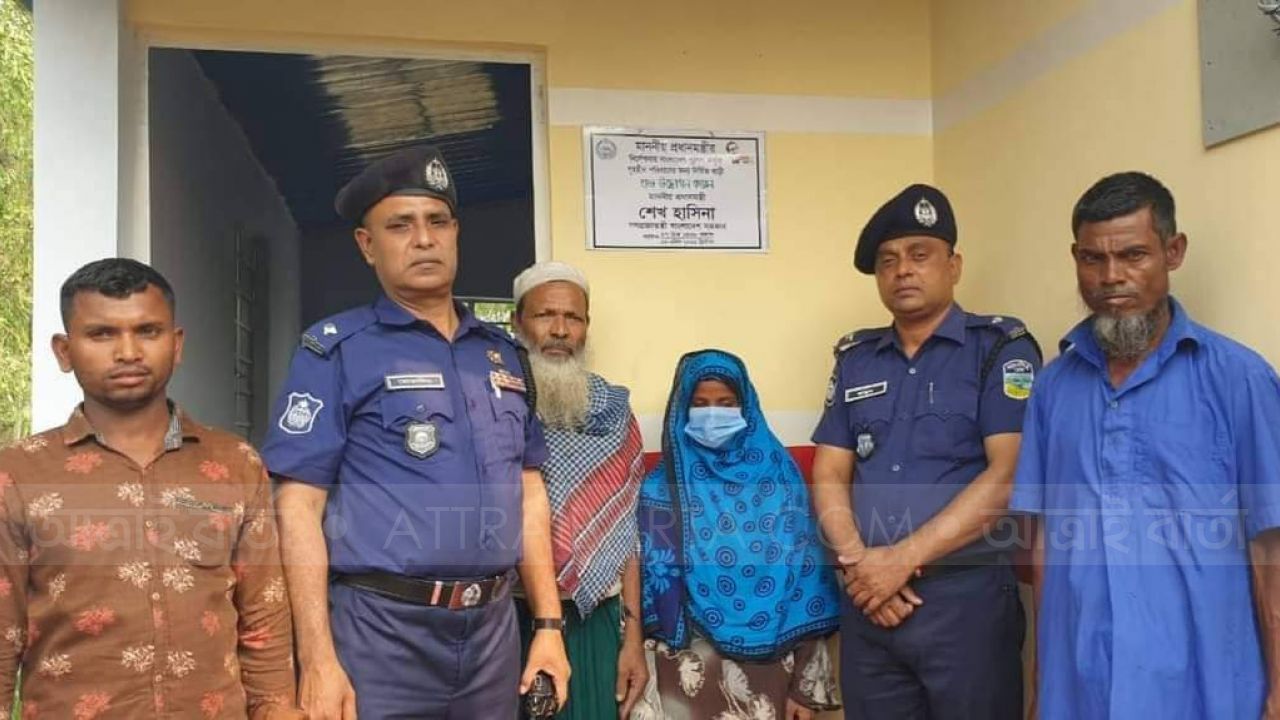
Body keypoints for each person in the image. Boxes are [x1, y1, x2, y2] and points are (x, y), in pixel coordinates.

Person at [261, 145, 569, 719]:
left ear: (455, 233)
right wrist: (318, 657)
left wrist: (548, 625)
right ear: (366, 245)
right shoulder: (338, 350)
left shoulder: (502, 355)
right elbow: (298, 506)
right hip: (379, 635)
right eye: (400, 225)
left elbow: (529, 493)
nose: (424, 239)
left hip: (492, 636)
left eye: (437, 222)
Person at [1010, 171, 1280, 719]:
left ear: (1172, 252)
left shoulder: (1240, 380)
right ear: (1076, 259)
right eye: (1093, 259)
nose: (1111, 277)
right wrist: (1041, 683)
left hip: (1204, 686)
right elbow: (1043, 548)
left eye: (1133, 255)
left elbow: (1271, 549)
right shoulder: (1052, 388)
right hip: (1080, 685)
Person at [0, 258, 301, 719]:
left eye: (147, 331)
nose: (128, 352)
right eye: (102, 334)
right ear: (64, 351)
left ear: (176, 345)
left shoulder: (234, 463)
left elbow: (265, 620)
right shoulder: (18, 474)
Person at [810, 184, 1040, 719]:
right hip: (870, 605)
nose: (903, 271)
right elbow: (830, 471)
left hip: (965, 604)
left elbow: (1008, 475)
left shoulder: (999, 349)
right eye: (888, 261)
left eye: (919, 255)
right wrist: (860, 567)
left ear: (953, 266)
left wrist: (899, 562)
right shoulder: (856, 358)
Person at [635, 349, 841, 720]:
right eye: (700, 404)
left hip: (771, 669)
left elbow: (807, 579)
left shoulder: (779, 476)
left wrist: (806, 688)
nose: (713, 414)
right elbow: (650, 587)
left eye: (726, 403)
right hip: (682, 670)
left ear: (746, 407)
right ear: (682, 408)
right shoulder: (662, 486)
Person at [509, 261, 648, 719]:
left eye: (573, 318)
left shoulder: (616, 414)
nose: (560, 330)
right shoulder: (494, 407)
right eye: (545, 315)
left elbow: (627, 533)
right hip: (510, 617)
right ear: (517, 322)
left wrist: (632, 638)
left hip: (595, 620)